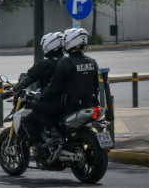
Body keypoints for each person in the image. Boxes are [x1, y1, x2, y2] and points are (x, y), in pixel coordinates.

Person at [33, 28, 100, 159]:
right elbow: (96, 86)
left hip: (70, 105)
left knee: (38, 107)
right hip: (89, 104)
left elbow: (55, 88)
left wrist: (42, 95)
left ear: (70, 41)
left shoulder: (64, 63)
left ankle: (55, 136)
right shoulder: (92, 62)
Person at [8, 32, 64, 159]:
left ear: (50, 45)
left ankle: (40, 150)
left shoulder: (45, 64)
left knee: (29, 120)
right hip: (67, 103)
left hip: (51, 102)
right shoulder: (66, 62)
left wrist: (15, 89)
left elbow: (29, 78)